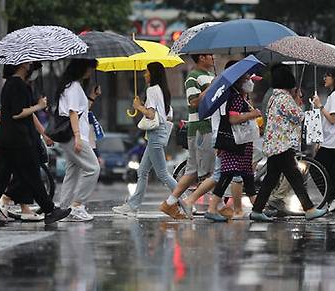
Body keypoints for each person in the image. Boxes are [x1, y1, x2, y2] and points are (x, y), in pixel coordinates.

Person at [0, 62, 71, 225]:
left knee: (0, 177)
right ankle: (50, 210)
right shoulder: (17, 85)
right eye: (27, 62)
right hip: (17, 139)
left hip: (9, 138)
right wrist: (39, 106)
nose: (30, 65)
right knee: (31, 176)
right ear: (20, 65)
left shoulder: (12, 84)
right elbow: (17, 114)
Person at [250, 64, 327, 222]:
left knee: (272, 179)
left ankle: (257, 210)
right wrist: (299, 102)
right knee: (295, 177)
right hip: (282, 145)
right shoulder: (284, 98)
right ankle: (309, 209)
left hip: (274, 145)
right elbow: (299, 116)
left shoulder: (274, 97)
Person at [160, 53, 232, 219]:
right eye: (209, 55)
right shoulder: (192, 77)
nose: (213, 58)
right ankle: (216, 206)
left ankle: (170, 203)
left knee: (194, 171)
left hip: (208, 126)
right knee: (207, 171)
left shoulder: (209, 75)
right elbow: (193, 102)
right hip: (201, 126)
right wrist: (211, 87)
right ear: (201, 58)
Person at [112, 62, 178, 217]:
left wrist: (138, 106)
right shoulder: (162, 90)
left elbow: (151, 114)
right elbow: (165, 114)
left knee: (162, 174)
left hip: (155, 134)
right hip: (158, 133)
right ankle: (132, 206)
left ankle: (186, 200)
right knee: (142, 171)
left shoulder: (152, 90)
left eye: (147, 72)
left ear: (153, 73)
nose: (144, 74)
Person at [205, 73, 261, 222]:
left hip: (242, 143)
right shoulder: (235, 98)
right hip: (235, 144)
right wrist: (252, 114)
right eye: (246, 79)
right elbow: (233, 118)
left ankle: (258, 209)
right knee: (228, 174)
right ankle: (212, 209)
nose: (250, 82)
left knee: (247, 176)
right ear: (239, 82)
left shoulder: (241, 97)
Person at [55, 59, 101, 221]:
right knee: (93, 168)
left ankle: (63, 208)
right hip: (74, 136)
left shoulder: (71, 86)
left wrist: (92, 97)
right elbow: (73, 112)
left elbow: (82, 110)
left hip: (74, 135)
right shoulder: (73, 87)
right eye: (89, 68)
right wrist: (77, 137)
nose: (90, 72)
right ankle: (77, 205)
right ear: (80, 68)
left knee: (72, 172)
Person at [311, 71, 335, 213]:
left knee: (315, 170)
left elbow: (332, 119)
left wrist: (320, 106)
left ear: (334, 78)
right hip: (333, 139)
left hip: (332, 140)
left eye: (327, 76)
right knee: (330, 171)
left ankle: (332, 197)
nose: (324, 78)